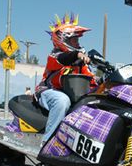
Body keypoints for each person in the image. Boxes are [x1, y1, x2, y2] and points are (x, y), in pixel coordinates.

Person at [35, 13, 97, 142]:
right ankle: (47, 143)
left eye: (78, 40)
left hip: (71, 94)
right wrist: (77, 54)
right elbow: (64, 59)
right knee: (62, 101)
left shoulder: (80, 62)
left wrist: (102, 81)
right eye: (74, 40)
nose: (78, 43)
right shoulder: (55, 55)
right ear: (63, 40)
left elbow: (90, 79)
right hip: (48, 91)